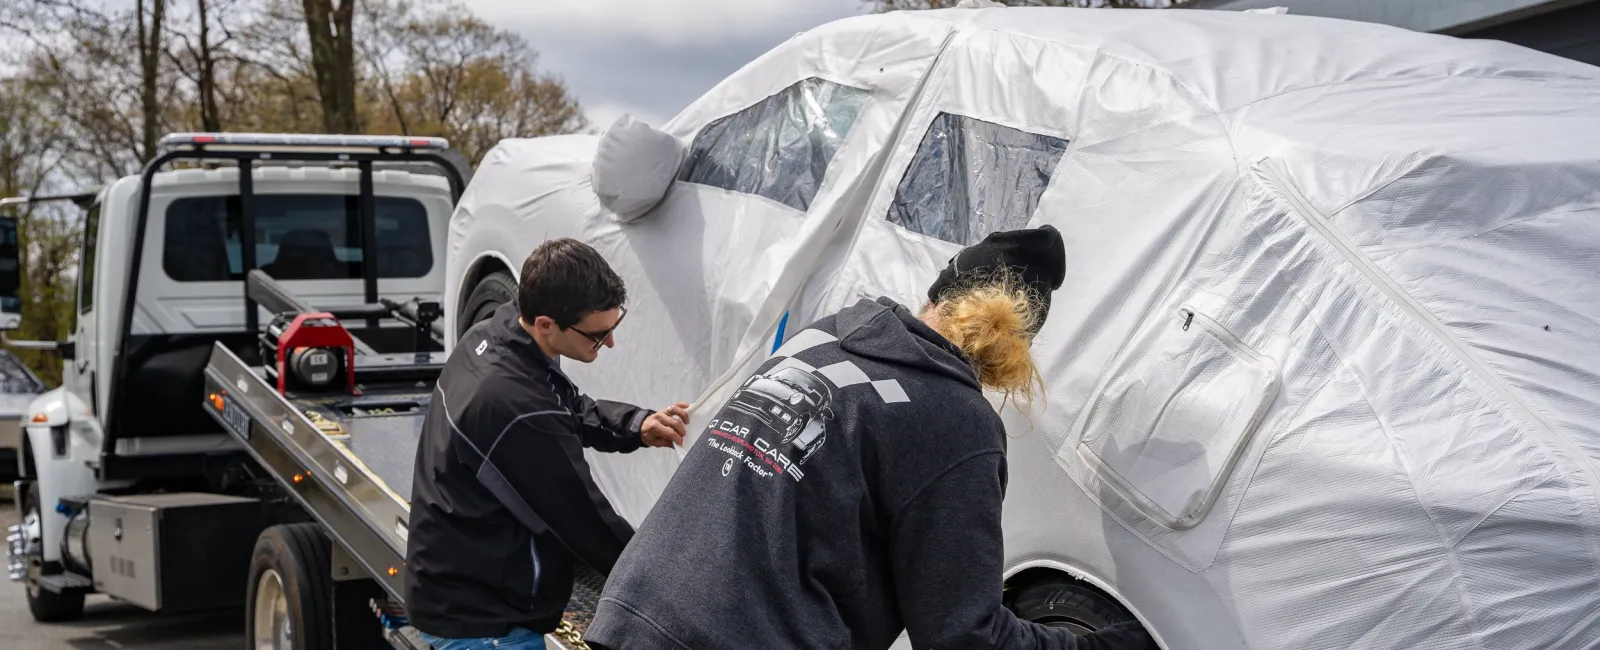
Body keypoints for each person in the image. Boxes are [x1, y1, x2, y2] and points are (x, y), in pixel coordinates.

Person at [584, 225, 1159, 650]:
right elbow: (964, 638)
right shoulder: (957, 421)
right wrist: (1105, 645)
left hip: (633, 614)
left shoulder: (822, 337)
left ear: (935, 298)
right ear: (1014, 347)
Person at [405, 238, 691, 650]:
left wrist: (636, 424)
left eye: (614, 327)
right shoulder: (512, 405)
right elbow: (584, 520)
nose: (609, 344)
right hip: (486, 625)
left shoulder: (496, 334)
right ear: (545, 323)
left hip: (457, 588)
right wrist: (667, 597)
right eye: (597, 336)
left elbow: (564, 406)